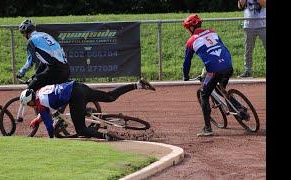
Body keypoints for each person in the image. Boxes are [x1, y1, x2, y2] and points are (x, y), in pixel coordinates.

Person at [19, 78, 156, 140]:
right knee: (110, 96)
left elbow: (49, 125)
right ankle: (137, 84)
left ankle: (107, 136)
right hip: (79, 87)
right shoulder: (41, 91)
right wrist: (38, 119)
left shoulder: (40, 103)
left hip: (75, 97)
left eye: (30, 104)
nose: (32, 107)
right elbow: (48, 107)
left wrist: (51, 139)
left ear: (31, 100)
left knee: (81, 130)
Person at [181, 14, 233, 136]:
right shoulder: (213, 32)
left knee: (204, 94)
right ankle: (239, 108)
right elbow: (221, 46)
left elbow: (186, 62)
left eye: (187, 29)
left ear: (191, 28)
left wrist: (185, 76)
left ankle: (207, 129)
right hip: (228, 66)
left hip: (214, 70)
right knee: (221, 89)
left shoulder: (191, 41)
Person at [17, 19, 70, 91]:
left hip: (55, 71)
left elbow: (31, 61)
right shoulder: (45, 35)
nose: (23, 35)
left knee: (30, 90)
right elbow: (44, 61)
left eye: (23, 33)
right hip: (66, 69)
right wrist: (35, 75)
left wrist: (21, 72)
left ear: (26, 32)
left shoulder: (32, 40)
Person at [238, 0, 266, 78]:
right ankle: (248, 71)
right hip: (248, 25)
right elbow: (240, 6)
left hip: (263, 25)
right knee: (248, 50)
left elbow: (264, 4)